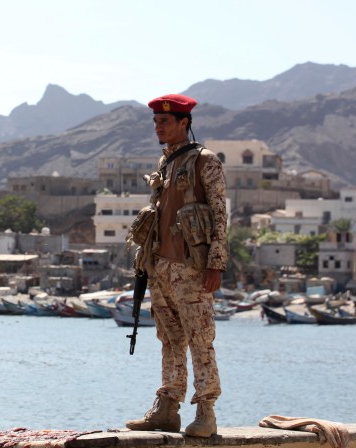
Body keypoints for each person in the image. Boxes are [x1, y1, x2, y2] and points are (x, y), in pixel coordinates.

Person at [125, 94, 228, 437]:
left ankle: (206, 412)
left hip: (191, 269)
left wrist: (215, 264)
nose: (159, 127)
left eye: (165, 121)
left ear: (184, 123)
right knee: (170, 339)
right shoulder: (165, 163)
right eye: (156, 122)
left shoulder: (205, 161)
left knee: (200, 338)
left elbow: (219, 216)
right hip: (161, 269)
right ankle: (167, 408)